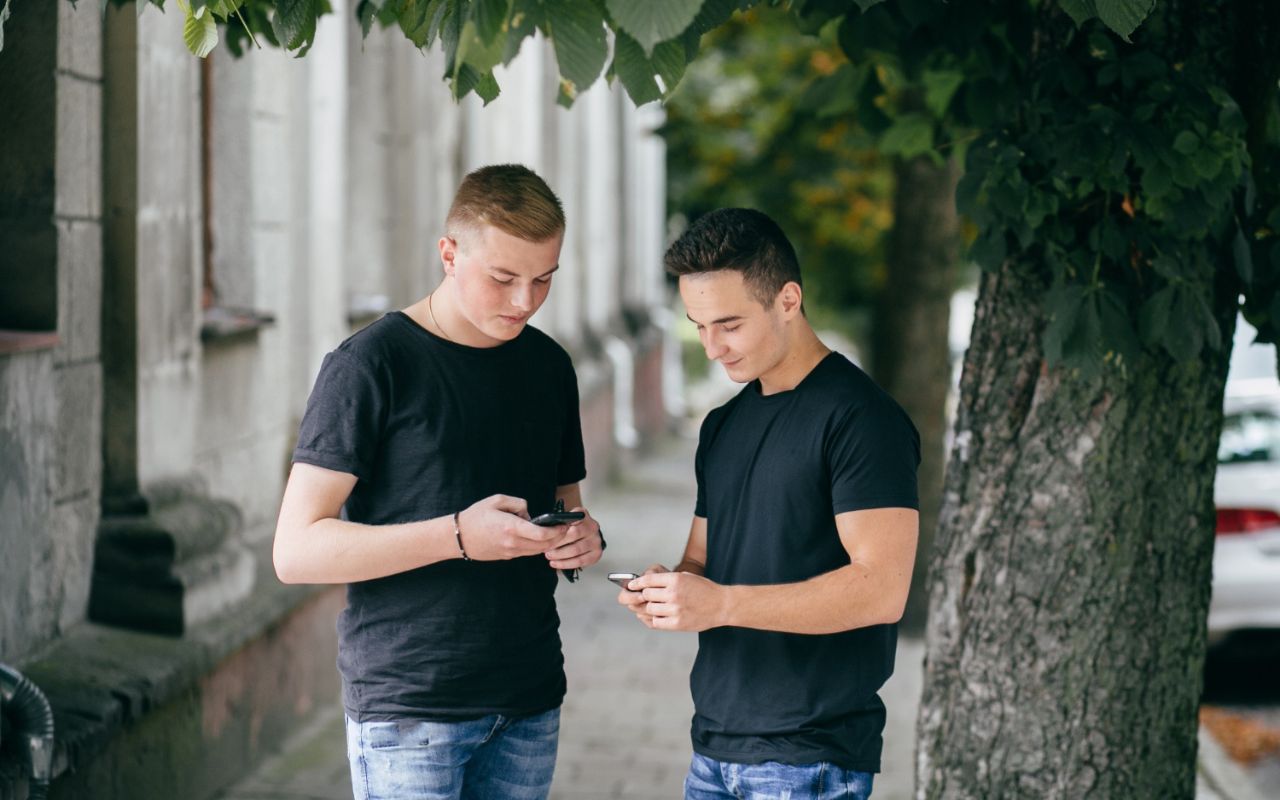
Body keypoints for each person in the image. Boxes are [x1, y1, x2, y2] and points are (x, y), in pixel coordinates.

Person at [274, 164, 604, 800]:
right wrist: (457, 535)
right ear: (449, 254)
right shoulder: (369, 365)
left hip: (530, 700)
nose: (524, 302)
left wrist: (581, 540)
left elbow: (568, 507)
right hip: (410, 707)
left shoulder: (550, 366)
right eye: (503, 278)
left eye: (543, 280)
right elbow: (295, 550)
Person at [618, 208, 920, 800]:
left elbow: (883, 590)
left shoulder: (862, 420)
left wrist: (722, 604)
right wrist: (670, 590)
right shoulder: (722, 425)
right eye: (698, 325)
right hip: (714, 746)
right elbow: (700, 561)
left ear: (788, 299)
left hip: (809, 754)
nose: (711, 348)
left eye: (729, 324)